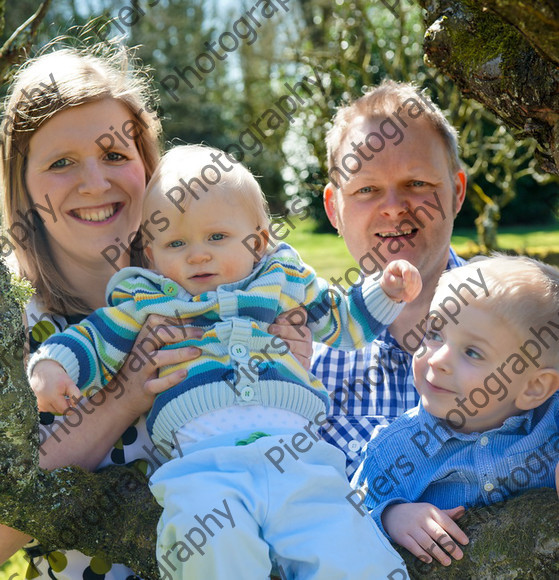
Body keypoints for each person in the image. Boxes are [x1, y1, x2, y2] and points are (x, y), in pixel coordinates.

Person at [28, 144, 419, 579]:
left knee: (346, 546)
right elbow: (95, 336)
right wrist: (51, 365)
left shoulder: (283, 280)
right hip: (203, 466)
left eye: (216, 237)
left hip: (299, 457)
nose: (198, 255)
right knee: (209, 547)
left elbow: (345, 324)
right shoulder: (149, 301)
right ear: (153, 256)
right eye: (177, 243)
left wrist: (384, 291)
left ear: (257, 242)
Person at [0, 45, 312, 578]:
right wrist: (122, 395)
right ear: (22, 186)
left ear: (149, 167)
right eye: (61, 162)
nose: (95, 182)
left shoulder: (221, 284)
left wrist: (290, 368)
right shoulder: (16, 327)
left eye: (116, 155)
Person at [352, 255, 559, 567]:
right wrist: (393, 515)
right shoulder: (397, 450)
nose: (436, 359)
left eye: (472, 352)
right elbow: (346, 517)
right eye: (435, 333)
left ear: (534, 388)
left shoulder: (551, 416)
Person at [311, 79, 468, 477]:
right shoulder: (300, 355)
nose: (394, 208)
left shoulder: (531, 324)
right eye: (367, 189)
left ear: (456, 192)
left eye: (417, 184)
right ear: (335, 209)